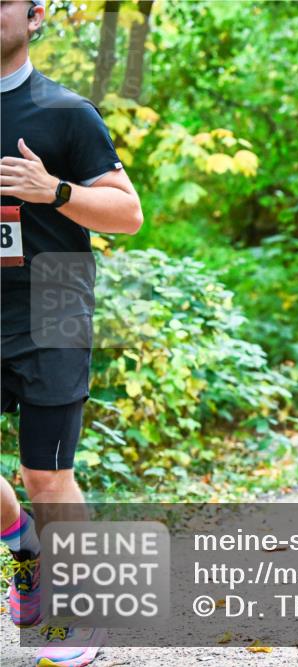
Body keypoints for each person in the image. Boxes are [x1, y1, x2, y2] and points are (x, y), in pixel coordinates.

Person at [1, 1, 143, 664]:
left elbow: (127, 212)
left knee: (45, 474)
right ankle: (25, 546)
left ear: (34, 17)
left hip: (51, 303)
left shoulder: (64, 112)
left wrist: (52, 190)